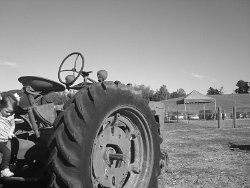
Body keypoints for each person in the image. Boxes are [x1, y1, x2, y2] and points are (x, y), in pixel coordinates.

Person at [0, 93, 18, 177]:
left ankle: (7, 167)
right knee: (6, 152)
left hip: (6, 139)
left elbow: (13, 125)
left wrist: (11, 132)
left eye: (11, 112)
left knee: (9, 152)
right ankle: (5, 169)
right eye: (7, 111)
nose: (9, 114)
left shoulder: (10, 117)